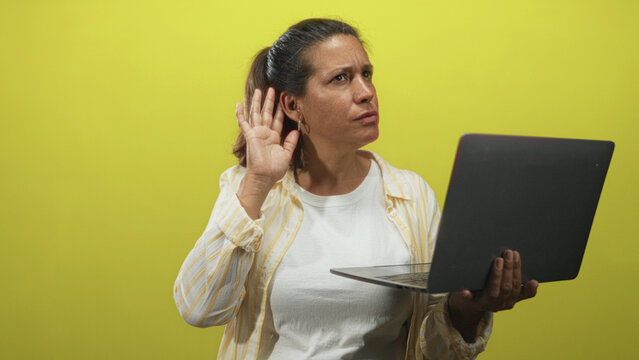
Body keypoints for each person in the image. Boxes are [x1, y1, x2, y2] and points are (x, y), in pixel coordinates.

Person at [173, 18, 538, 360]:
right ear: (292, 104)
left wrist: (469, 308)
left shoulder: (411, 195)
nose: (366, 93)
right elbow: (199, 308)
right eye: (340, 79)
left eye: (366, 74)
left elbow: (436, 349)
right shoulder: (248, 188)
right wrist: (257, 183)